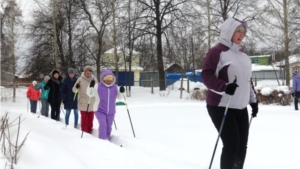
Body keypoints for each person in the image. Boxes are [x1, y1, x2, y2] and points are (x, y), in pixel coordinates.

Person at [201, 17, 259, 169]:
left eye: (243, 31)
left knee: (242, 145)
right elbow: (206, 75)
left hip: (241, 107)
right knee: (232, 144)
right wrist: (224, 87)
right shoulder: (217, 52)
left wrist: (253, 101)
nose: (242, 34)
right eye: (238, 31)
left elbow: (248, 80)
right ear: (228, 32)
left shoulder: (244, 56)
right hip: (221, 105)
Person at [90, 69, 123, 140]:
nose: (109, 82)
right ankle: (102, 139)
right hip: (100, 110)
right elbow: (89, 93)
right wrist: (91, 87)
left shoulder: (115, 87)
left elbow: (120, 98)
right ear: (103, 79)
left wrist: (122, 91)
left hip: (111, 111)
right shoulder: (98, 86)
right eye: (107, 80)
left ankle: (107, 138)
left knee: (109, 126)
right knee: (103, 124)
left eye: (110, 80)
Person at [73, 66, 98, 133]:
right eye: (87, 73)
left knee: (91, 118)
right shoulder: (80, 79)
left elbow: (98, 90)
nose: (88, 74)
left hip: (92, 101)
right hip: (83, 101)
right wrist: (77, 87)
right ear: (85, 72)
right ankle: (84, 131)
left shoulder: (94, 79)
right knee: (84, 118)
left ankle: (90, 130)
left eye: (90, 73)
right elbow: (74, 90)